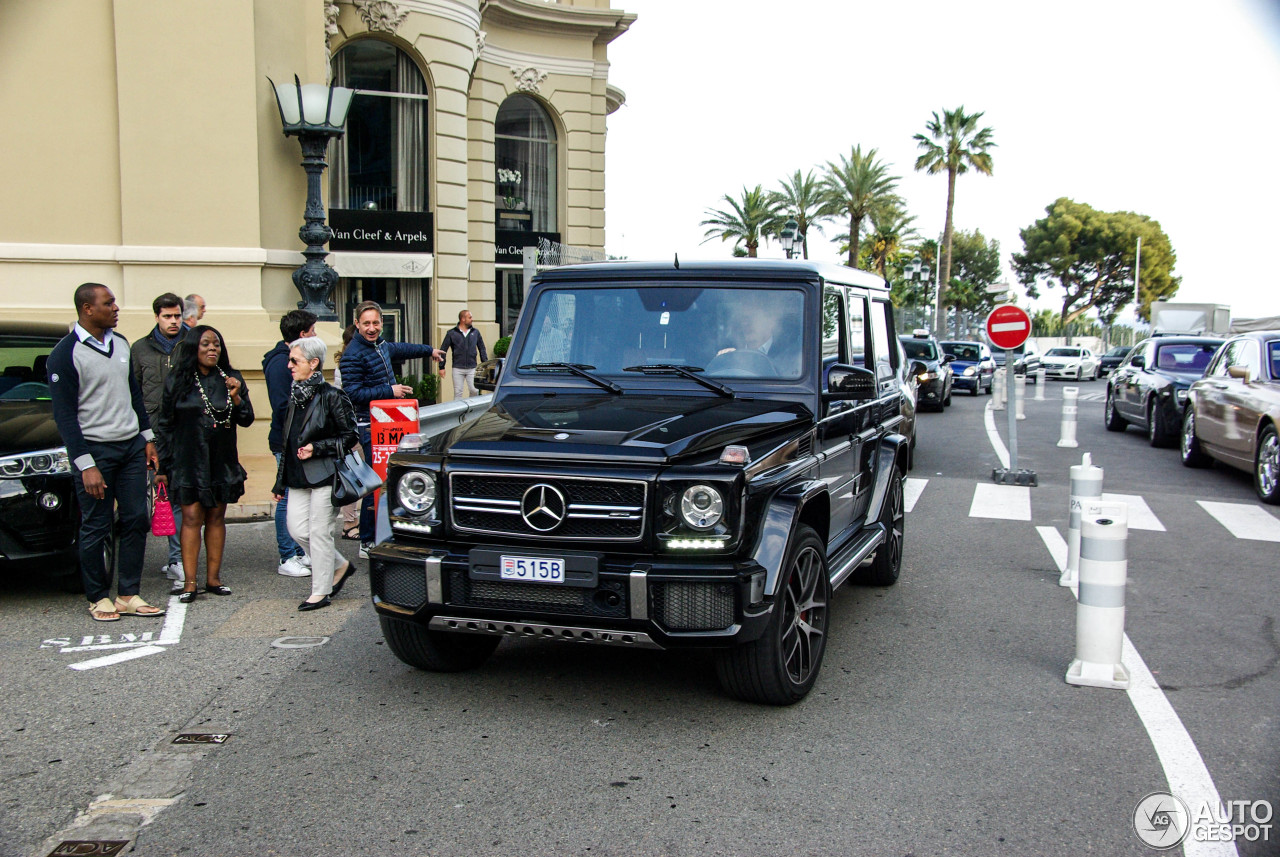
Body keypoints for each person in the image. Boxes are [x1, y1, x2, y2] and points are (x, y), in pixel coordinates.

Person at [48, 283, 164, 621]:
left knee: (136, 519)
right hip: (94, 451)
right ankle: (98, 596)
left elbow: (134, 395)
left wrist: (147, 438)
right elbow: (65, 416)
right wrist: (85, 465)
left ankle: (128, 593)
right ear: (87, 309)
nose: (115, 308)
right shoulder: (65, 354)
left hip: (130, 446)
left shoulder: (121, 343)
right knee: (97, 525)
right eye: (108, 303)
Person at [154, 325, 254, 603]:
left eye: (217, 345)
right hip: (187, 460)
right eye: (206, 344)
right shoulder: (178, 379)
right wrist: (162, 467)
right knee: (190, 518)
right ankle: (189, 582)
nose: (212, 349)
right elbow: (165, 424)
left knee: (216, 517)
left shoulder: (230, 378)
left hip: (220, 459)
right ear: (193, 348)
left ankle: (213, 579)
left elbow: (246, 419)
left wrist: (236, 395)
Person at [338, 300, 444, 557]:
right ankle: (366, 540)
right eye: (367, 324)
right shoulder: (353, 354)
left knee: (389, 480)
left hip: (388, 423)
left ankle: (383, 533)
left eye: (376, 323)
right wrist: (390, 391)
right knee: (376, 484)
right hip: (368, 425)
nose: (372, 328)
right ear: (357, 324)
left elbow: (401, 349)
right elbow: (352, 394)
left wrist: (429, 350)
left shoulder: (380, 345)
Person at [272, 336, 358, 611]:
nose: (289, 366)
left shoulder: (332, 395)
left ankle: (320, 591)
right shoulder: (295, 395)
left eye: (294, 361)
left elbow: (349, 436)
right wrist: (279, 482)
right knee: (297, 529)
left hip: (324, 473)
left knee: (319, 532)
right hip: (298, 476)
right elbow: (287, 442)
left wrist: (316, 448)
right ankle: (340, 565)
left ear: (314, 363)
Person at [131, 292, 187, 587]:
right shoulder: (140, 348)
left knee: (176, 497)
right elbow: (133, 392)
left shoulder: (191, 343)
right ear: (157, 317)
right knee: (140, 501)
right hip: (148, 433)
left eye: (177, 315)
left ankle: (176, 558)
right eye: (167, 316)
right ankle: (133, 562)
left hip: (182, 432)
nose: (174, 321)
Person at [262, 309, 318, 578]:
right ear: (302, 334)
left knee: (297, 495)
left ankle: (296, 551)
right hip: (285, 439)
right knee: (285, 496)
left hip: (296, 437)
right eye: (313, 331)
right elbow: (282, 405)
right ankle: (287, 555)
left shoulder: (294, 359)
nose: (315, 334)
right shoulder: (278, 364)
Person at [332, 324, 359, 540]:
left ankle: (353, 521)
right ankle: (350, 522)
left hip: (356, 425)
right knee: (352, 475)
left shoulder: (348, 361)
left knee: (358, 474)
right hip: (350, 426)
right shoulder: (347, 364)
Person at [438, 309, 488, 399]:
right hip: (457, 368)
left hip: (472, 367)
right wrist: (441, 367)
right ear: (463, 319)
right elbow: (443, 349)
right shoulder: (452, 333)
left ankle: (472, 410)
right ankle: (458, 412)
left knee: (474, 390)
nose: (472, 319)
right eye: (470, 317)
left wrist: (485, 363)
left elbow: (482, 348)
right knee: (458, 392)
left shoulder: (475, 332)